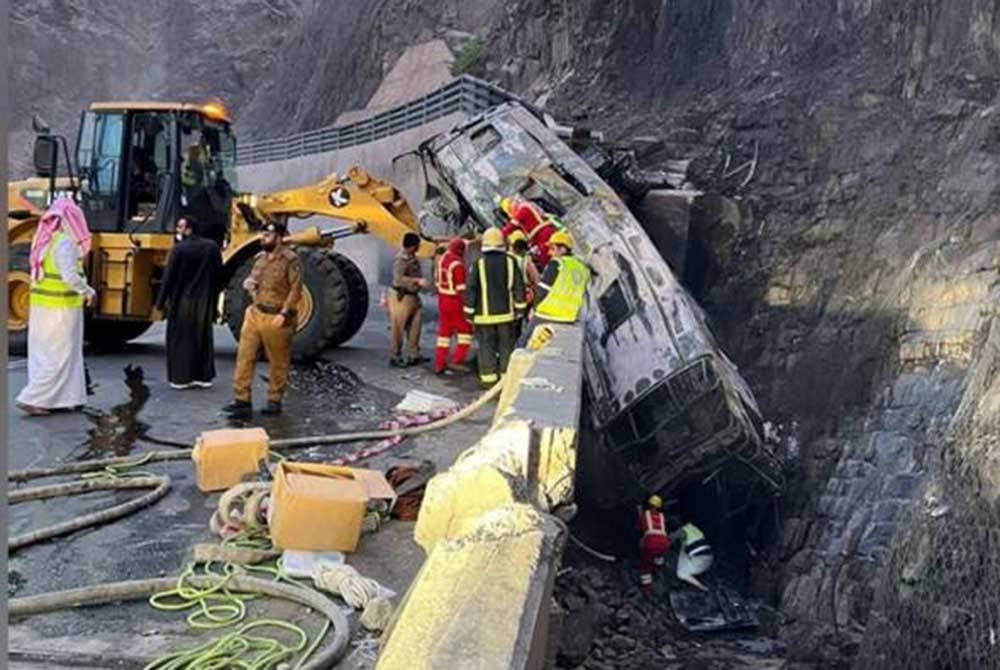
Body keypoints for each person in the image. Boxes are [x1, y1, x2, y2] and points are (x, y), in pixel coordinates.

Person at [16, 197, 96, 416]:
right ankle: (34, 398)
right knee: (61, 355)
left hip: (42, 307)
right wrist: (88, 291)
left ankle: (67, 398)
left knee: (45, 355)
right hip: (61, 307)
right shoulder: (64, 243)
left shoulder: (42, 240)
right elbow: (70, 276)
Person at [223, 220, 302, 417]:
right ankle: (241, 399)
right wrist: (249, 284)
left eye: (268, 235)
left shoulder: (291, 260)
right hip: (255, 312)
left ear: (279, 237)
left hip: (276, 315)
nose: (263, 238)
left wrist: (284, 314)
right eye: (263, 235)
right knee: (244, 356)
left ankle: (274, 399)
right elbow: (254, 279)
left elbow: (296, 289)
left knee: (278, 360)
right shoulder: (260, 259)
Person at [155, 217, 223, 390]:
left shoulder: (179, 250)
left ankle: (181, 378)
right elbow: (219, 276)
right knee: (202, 337)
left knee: (180, 339)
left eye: (180, 227)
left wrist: (160, 303)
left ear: (189, 229)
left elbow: (168, 278)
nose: (177, 230)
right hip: (205, 300)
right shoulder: (212, 248)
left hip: (181, 300)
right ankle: (203, 377)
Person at [464, 228, 526, 386]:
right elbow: (519, 287)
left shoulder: (478, 264)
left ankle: (489, 382)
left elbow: (471, 289)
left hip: (484, 317)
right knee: (506, 347)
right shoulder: (511, 262)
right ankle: (506, 382)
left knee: (486, 348)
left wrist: (468, 313)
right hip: (506, 316)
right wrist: (520, 309)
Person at [518, 229, 591, 347]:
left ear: (563, 249)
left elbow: (543, 290)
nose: (549, 253)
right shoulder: (583, 269)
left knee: (522, 345)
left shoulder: (557, 264)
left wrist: (534, 309)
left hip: (546, 314)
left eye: (553, 249)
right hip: (569, 317)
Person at [434, 237, 474, 375]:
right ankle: (457, 360)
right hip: (454, 301)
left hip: (442, 299)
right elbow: (461, 289)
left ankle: (439, 363)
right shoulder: (457, 264)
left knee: (444, 334)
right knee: (466, 331)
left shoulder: (442, 259)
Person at [389, 232, 429, 367]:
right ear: (412, 246)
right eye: (417, 245)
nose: (419, 247)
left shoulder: (412, 257)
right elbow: (398, 279)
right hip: (402, 297)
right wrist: (418, 281)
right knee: (398, 328)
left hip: (413, 297)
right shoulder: (401, 259)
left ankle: (414, 354)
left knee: (415, 327)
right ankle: (395, 356)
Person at [637, 495, 671, 595]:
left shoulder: (646, 514)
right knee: (658, 558)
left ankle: (647, 590)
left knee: (646, 565)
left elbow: (640, 527)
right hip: (664, 544)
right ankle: (658, 571)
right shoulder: (662, 516)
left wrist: (639, 511)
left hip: (651, 543)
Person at [670, 522, 714, 591]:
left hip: (700, 562)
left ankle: (701, 587)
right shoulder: (692, 527)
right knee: (684, 548)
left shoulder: (681, 531)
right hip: (710, 560)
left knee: (681, 573)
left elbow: (670, 539)